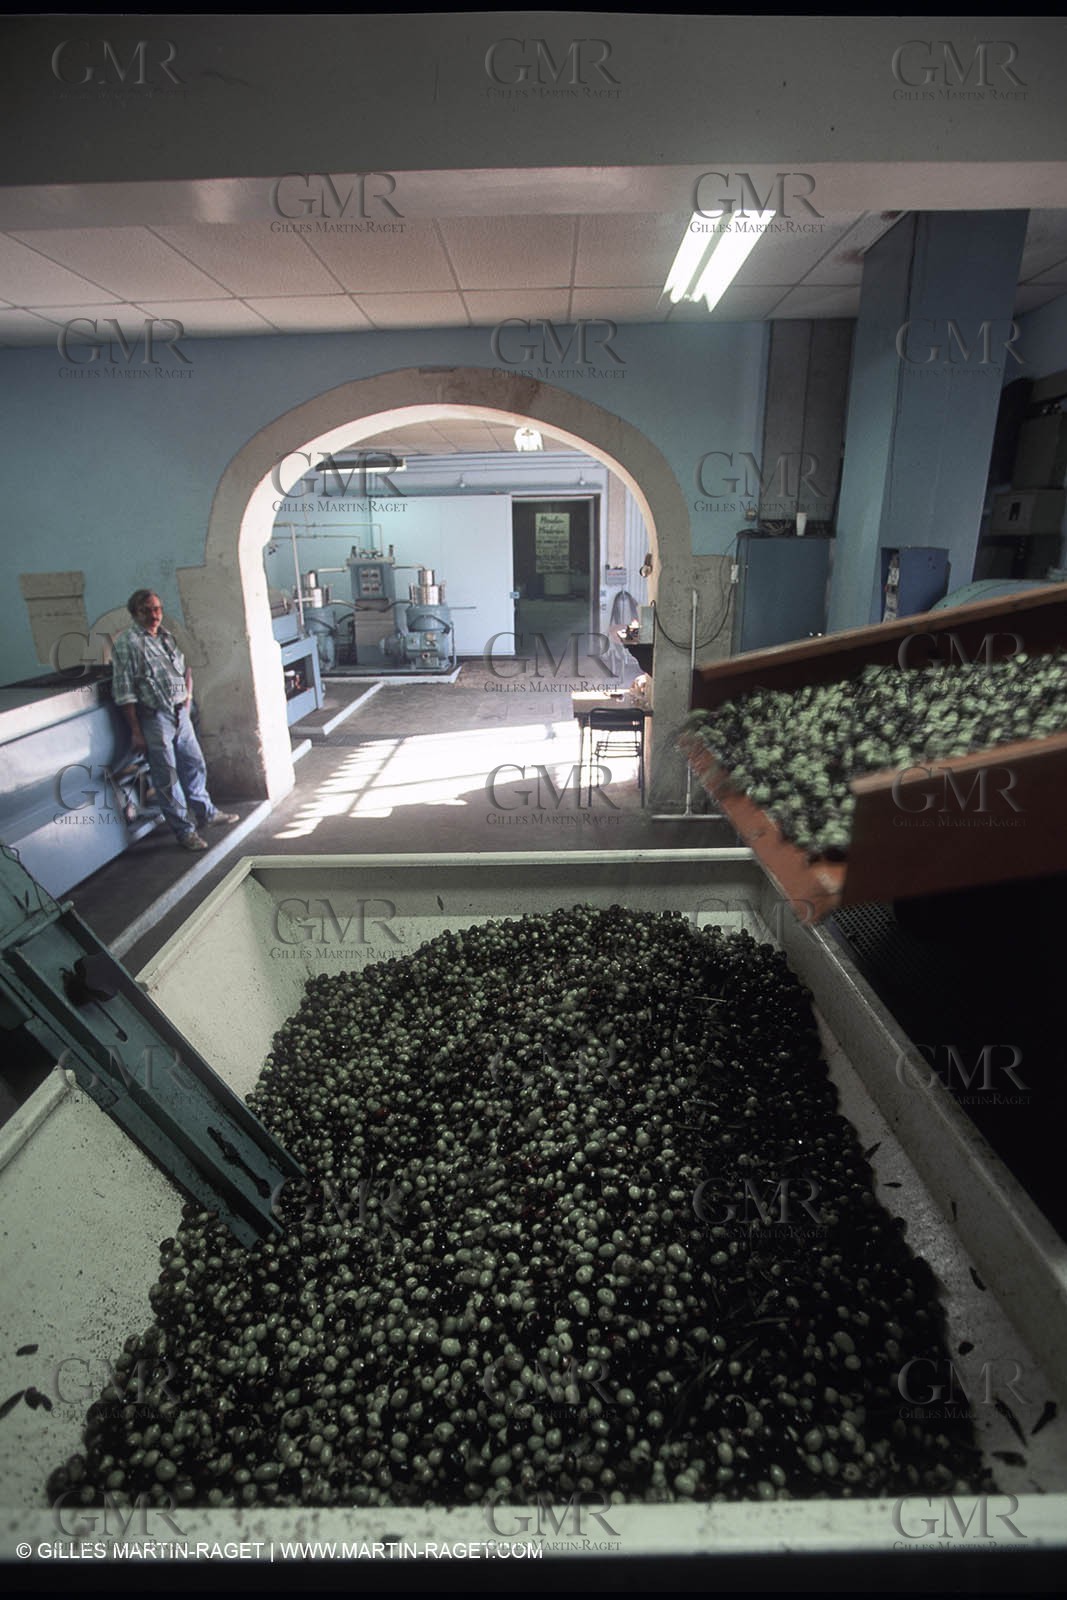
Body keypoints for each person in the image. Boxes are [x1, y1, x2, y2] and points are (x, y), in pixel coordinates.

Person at [111, 589, 239, 851]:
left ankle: (207, 813)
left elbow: (186, 666)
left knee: (194, 763)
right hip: (154, 716)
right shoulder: (129, 644)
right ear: (135, 613)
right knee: (167, 778)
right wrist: (136, 731)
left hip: (181, 713)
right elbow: (124, 691)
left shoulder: (167, 637)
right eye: (147, 610)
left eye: (157, 608)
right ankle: (185, 831)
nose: (154, 615)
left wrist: (188, 697)